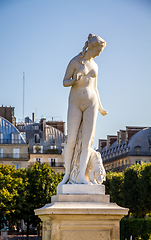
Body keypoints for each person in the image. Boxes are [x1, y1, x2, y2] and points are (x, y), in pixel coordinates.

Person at [60, 34, 107, 185]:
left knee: (87, 142)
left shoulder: (95, 66)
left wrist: (100, 106)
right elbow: (64, 82)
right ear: (91, 47)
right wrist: (74, 80)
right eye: (98, 50)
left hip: (91, 103)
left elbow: (95, 88)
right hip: (75, 103)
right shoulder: (75, 61)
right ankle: (67, 175)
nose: (99, 54)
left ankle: (81, 175)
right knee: (71, 140)